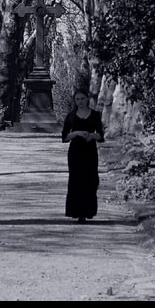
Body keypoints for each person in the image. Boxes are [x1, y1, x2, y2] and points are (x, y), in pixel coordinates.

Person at [62, 89, 104, 223]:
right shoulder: (71, 116)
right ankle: (78, 212)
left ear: (87, 99)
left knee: (91, 180)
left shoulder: (95, 115)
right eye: (77, 99)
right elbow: (65, 137)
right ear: (75, 101)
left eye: (82, 99)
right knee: (76, 180)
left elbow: (101, 136)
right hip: (75, 151)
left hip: (90, 151)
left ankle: (88, 210)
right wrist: (77, 133)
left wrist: (91, 135)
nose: (80, 102)